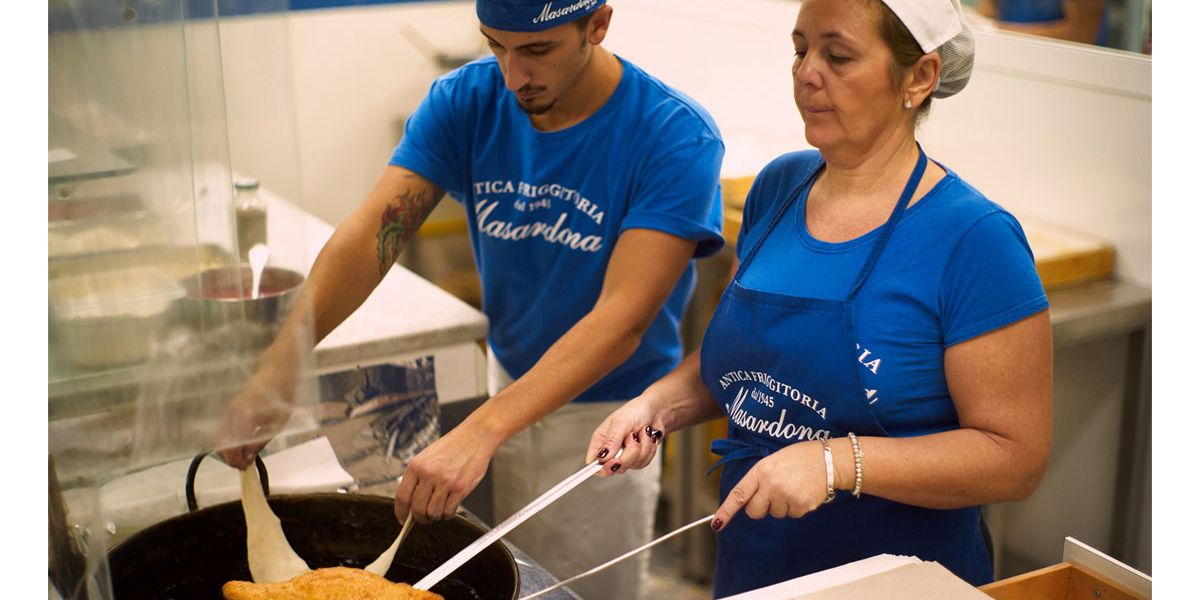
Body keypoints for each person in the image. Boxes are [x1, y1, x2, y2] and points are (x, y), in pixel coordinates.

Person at [217, 1, 726, 597]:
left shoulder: (672, 134)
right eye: (496, 46)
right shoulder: (468, 101)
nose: (513, 77)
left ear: (597, 25)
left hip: (606, 419)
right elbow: (371, 237)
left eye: (537, 50)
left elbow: (621, 321)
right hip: (511, 382)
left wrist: (482, 430)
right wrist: (281, 364)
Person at [587, 0, 1053, 595]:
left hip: (897, 582)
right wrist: (653, 409)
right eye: (800, 49)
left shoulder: (974, 239)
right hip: (757, 570)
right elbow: (741, 368)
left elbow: (1014, 457)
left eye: (838, 56)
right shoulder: (779, 188)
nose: (807, 73)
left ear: (920, 76)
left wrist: (836, 463)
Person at [975, 0, 1108, 45]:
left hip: (1069, 70)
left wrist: (994, 30)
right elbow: (989, 12)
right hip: (1012, 59)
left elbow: (1082, 35)